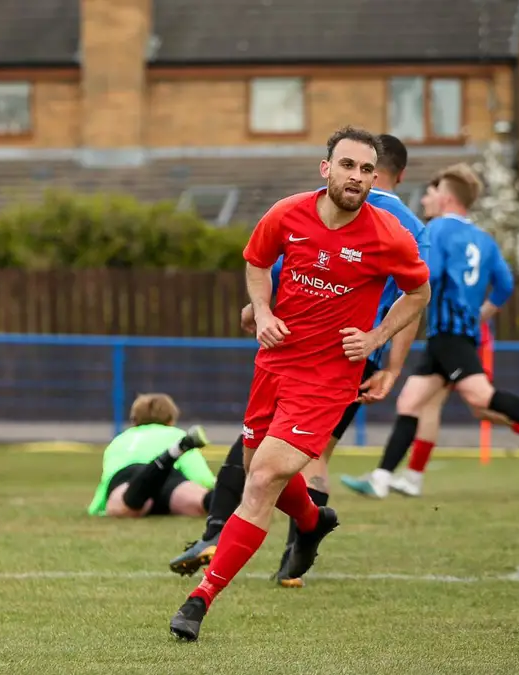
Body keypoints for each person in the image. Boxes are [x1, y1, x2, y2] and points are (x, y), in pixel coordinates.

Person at [168, 126, 432, 642]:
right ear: (326, 169)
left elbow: (418, 293)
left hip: (329, 379)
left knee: (262, 478)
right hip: (273, 366)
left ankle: (200, 599)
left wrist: (378, 336)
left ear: (375, 179)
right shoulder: (287, 213)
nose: (356, 177)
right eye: (347, 165)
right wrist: (262, 310)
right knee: (256, 471)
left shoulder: (389, 234)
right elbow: (256, 261)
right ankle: (312, 523)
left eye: (365, 170)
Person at [340, 164, 519, 501]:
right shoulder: (484, 240)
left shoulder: (437, 230)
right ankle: (382, 478)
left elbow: (428, 275)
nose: (429, 197)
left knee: (481, 399)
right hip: (452, 335)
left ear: (448, 198)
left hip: (450, 335)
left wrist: (403, 291)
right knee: (410, 402)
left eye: (434, 192)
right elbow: (505, 285)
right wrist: (479, 314)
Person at [86, 393, 214, 518]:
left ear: (134, 420)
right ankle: (169, 457)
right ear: (171, 420)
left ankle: (165, 459)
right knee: (203, 503)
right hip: (169, 478)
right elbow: (202, 478)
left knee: (126, 505)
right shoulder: (176, 435)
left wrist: (97, 506)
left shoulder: (120, 440)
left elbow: (108, 477)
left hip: (126, 478)